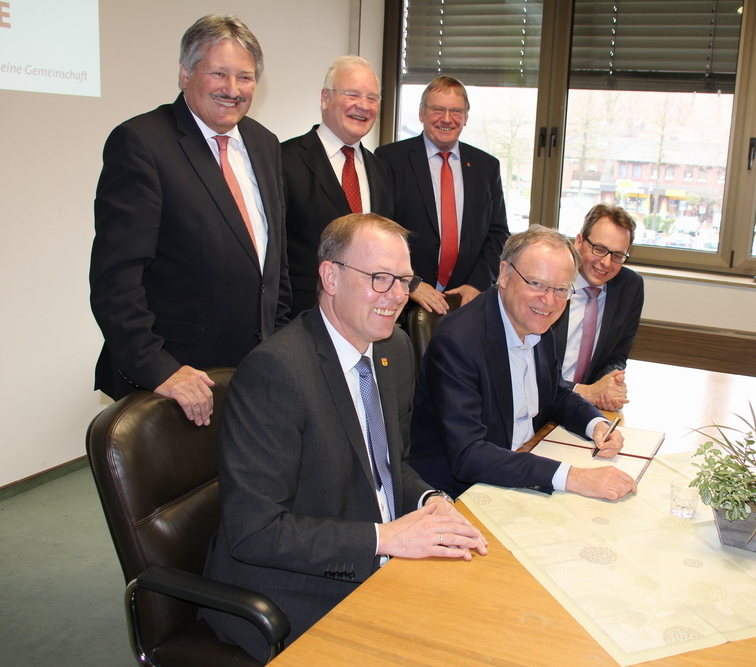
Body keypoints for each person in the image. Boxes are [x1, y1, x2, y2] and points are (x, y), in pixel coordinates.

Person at [202, 213, 487, 661]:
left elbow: (390, 466)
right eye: (380, 278)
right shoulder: (276, 372)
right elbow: (255, 531)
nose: (398, 295)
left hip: (380, 562)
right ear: (330, 277)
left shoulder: (393, 349)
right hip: (292, 591)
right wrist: (384, 539)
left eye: (405, 280)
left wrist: (430, 500)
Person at [89, 14, 289, 426]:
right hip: (177, 382)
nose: (232, 89)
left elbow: (274, 262)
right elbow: (116, 279)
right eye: (219, 73)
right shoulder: (142, 143)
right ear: (185, 74)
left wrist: (283, 344)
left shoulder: (265, 143)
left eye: (245, 77)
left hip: (254, 372)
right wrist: (159, 369)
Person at [410, 224, 638, 500]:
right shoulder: (458, 343)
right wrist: (573, 477)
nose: (549, 301)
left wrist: (596, 424)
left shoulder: (539, 322)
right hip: (463, 492)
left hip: (526, 457)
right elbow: (469, 455)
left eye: (561, 289)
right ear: (505, 274)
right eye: (536, 284)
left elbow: (555, 394)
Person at [376, 76, 509, 315]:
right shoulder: (390, 159)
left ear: (466, 117)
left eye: (456, 111)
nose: (447, 119)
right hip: (402, 301)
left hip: (465, 302)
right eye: (437, 109)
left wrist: (477, 284)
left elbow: (498, 233)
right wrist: (410, 282)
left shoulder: (487, 167)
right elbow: (380, 231)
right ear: (422, 113)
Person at [282, 56, 394, 315]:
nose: (363, 105)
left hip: (365, 317)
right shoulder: (283, 160)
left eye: (372, 98)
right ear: (325, 98)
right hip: (302, 317)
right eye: (352, 94)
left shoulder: (381, 170)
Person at [553, 203, 644, 411]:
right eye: (599, 249)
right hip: (535, 403)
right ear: (579, 241)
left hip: (584, 408)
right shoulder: (551, 280)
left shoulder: (629, 286)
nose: (606, 263)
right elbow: (526, 367)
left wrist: (608, 385)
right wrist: (583, 391)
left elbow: (617, 356)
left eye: (617, 255)